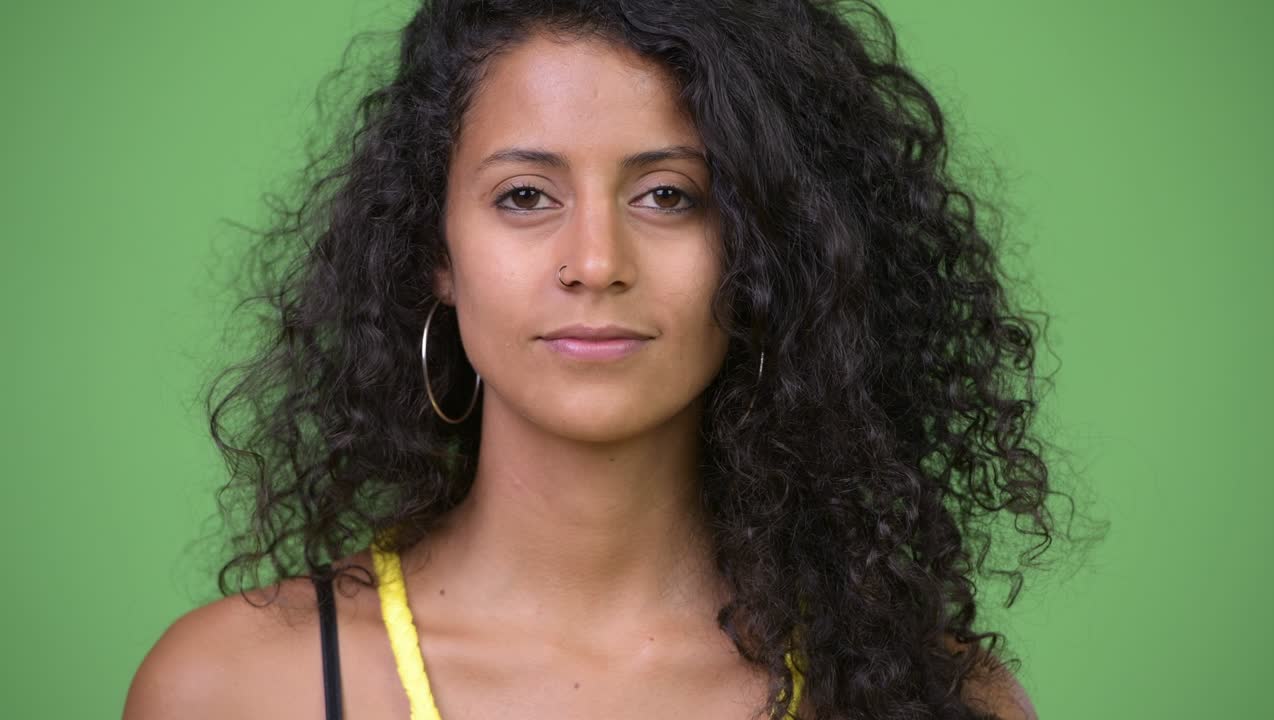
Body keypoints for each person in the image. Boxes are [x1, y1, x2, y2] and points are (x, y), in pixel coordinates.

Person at [124, 1, 1057, 718]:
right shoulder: (231, 689)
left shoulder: (936, 700)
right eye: (526, 195)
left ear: (772, 251)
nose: (597, 264)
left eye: (669, 196)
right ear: (433, 251)